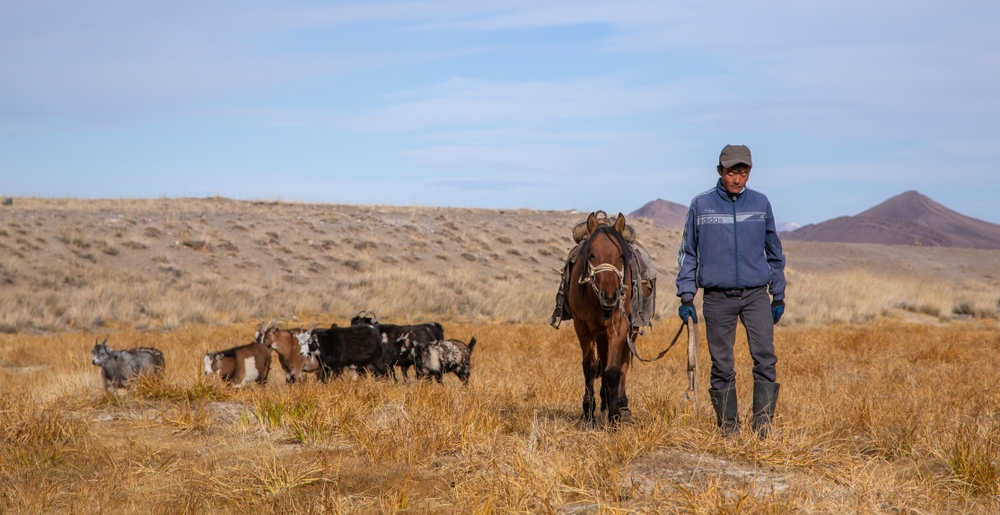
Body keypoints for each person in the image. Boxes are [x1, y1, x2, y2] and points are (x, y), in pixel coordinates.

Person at [675, 144, 786, 437]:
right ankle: (729, 432)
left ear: (749, 171)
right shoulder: (701, 205)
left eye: (743, 172)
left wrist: (778, 294)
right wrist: (687, 296)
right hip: (716, 297)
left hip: (755, 296)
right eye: (730, 172)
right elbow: (688, 253)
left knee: (765, 358)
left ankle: (762, 430)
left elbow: (775, 252)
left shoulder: (761, 204)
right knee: (722, 365)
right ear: (719, 172)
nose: (737, 179)